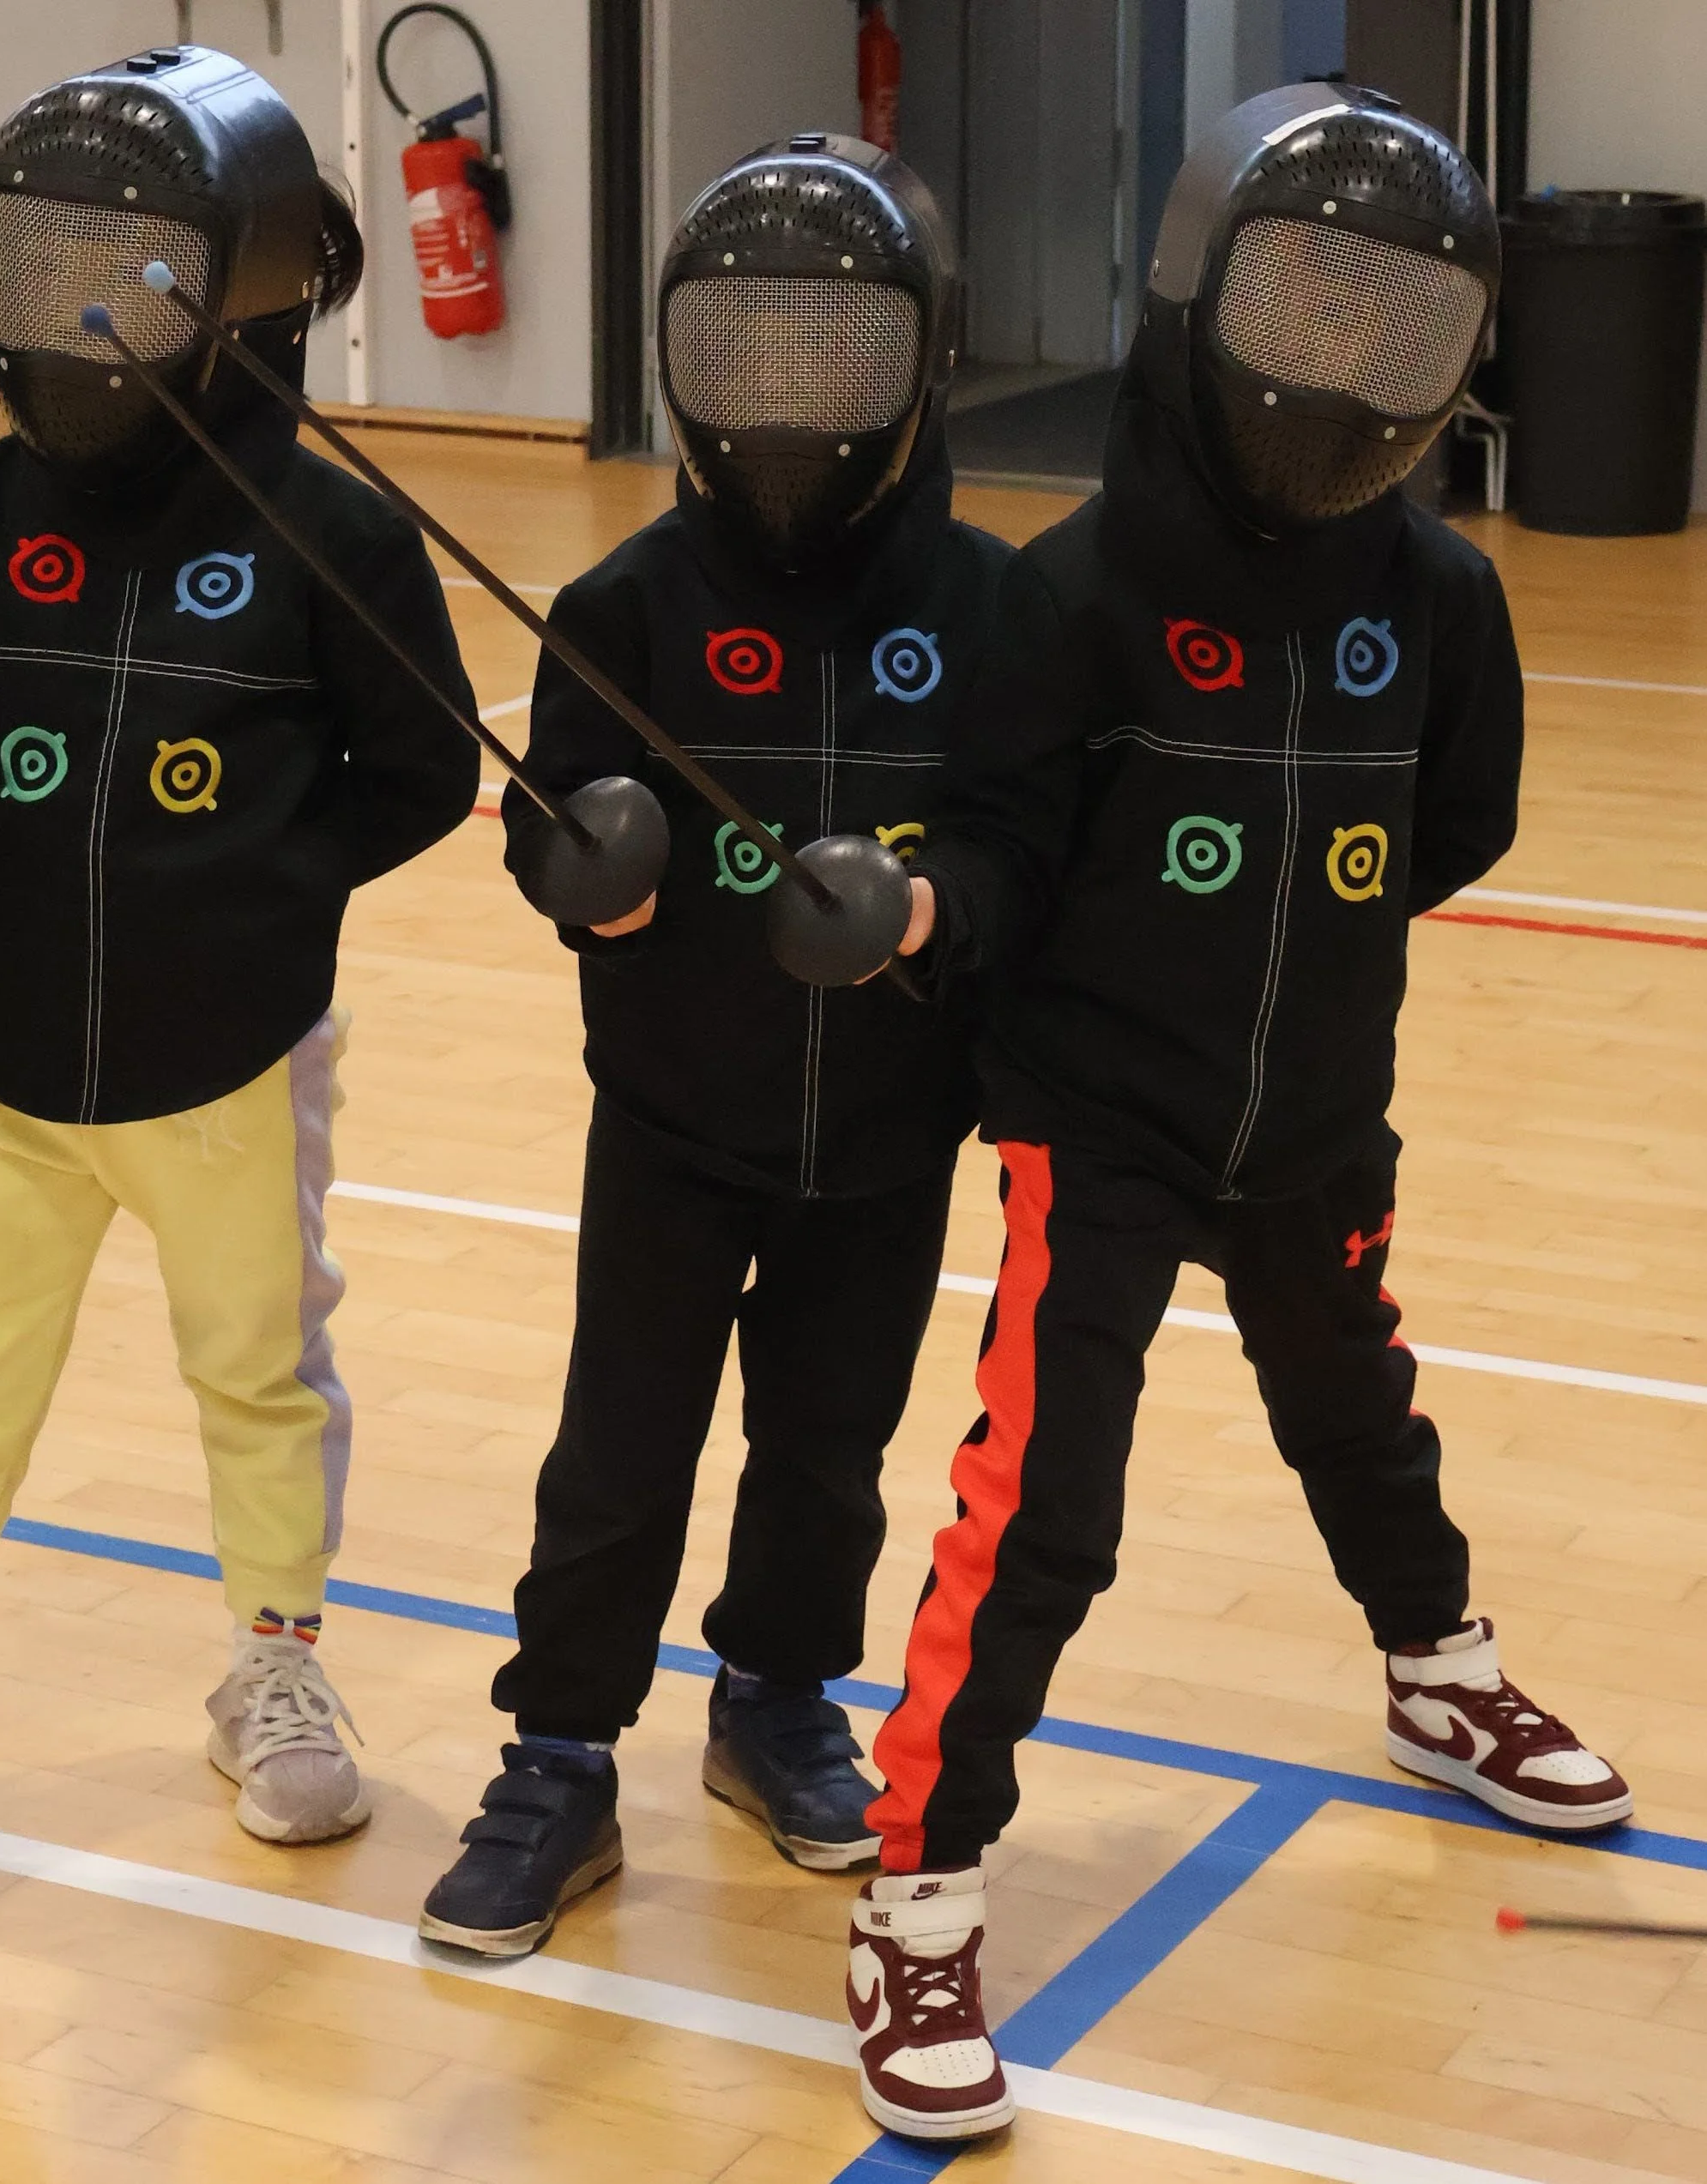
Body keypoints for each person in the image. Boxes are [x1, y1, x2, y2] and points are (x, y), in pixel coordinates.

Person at [844, 85, 1632, 2139]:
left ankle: (1434, 1669)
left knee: (1358, 1413)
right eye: (1305, 307)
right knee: (1044, 1506)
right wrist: (921, 907)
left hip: (1316, 1124)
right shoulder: (1069, 597)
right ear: (1199, 300)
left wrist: (1291, 964)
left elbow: (1451, 828)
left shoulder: (1436, 601)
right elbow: (999, 852)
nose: (1341, 369)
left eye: (1394, 322)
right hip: (1095, 1129)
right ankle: (915, 1887)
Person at [0, 44, 478, 1952]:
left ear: (248, 291)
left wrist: (262, 888)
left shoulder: (337, 538)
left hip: (230, 1065)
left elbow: (426, 768)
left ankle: (273, 1659)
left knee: (258, 1368)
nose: (76, 315)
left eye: (123, 273)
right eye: (42, 265)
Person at [419, 135, 1011, 1958]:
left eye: (832, 351)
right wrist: (580, 879)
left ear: (913, 358)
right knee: (621, 1446)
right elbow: (547, 818)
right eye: (748, 350)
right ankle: (559, 1753)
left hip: (891, 1130)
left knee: (828, 1446)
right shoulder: (626, 606)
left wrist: (929, 907)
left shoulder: (987, 607)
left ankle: (774, 1698)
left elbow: (1028, 842)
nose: (786, 397)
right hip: (672, 1120)